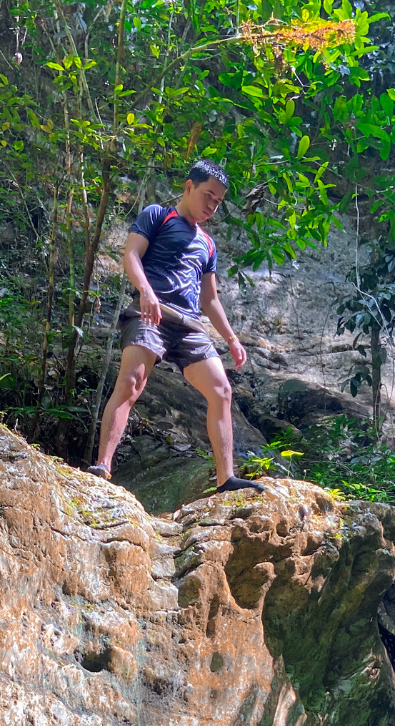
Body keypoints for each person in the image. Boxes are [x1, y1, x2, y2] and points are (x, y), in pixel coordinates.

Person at [88, 160, 265, 495]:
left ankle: (226, 478)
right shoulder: (158, 215)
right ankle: (103, 467)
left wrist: (231, 338)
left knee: (222, 391)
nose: (212, 205)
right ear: (188, 187)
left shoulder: (207, 244)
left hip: (188, 326)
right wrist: (146, 292)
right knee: (131, 382)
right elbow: (131, 256)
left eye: (218, 202)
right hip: (150, 313)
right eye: (208, 196)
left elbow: (209, 300)